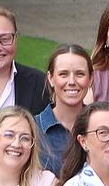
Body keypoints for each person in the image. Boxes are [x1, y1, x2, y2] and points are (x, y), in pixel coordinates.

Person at [36, 44, 93, 172]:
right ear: (50, 78)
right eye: (63, 74)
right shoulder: (32, 129)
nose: (72, 81)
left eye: (80, 74)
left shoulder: (102, 127)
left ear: (90, 79)